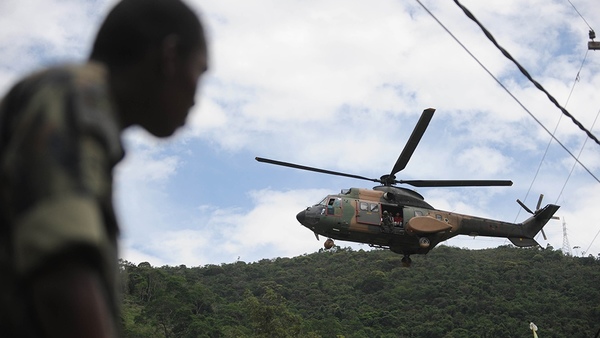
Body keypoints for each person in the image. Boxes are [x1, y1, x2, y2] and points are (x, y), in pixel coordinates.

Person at [0, 0, 208, 336]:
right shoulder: (73, 96)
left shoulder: (78, 111)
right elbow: (62, 276)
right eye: (199, 71)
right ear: (169, 58)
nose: (198, 96)